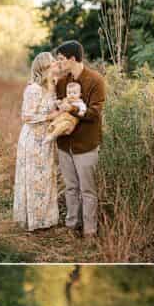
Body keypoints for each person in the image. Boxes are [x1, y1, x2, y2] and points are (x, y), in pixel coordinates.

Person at [54, 41, 106, 238]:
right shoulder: (61, 82)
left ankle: (90, 231)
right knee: (70, 187)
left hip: (86, 144)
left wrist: (73, 109)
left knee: (88, 190)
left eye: (61, 59)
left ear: (72, 59)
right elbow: (57, 107)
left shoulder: (95, 80)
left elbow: (95, 112)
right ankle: (71, 225)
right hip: (64, 144)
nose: (58, 63)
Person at [13, 51, 61, 231]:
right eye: (53, 61)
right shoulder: (33, 89)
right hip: (32, 140)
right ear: (44, 67)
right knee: (33, 179)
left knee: (46, 178)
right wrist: (51, 115)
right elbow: (26, 116)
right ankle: (32, 221)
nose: (56, 63)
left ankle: (45, 220)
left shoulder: (52, 86)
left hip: (46, 140)